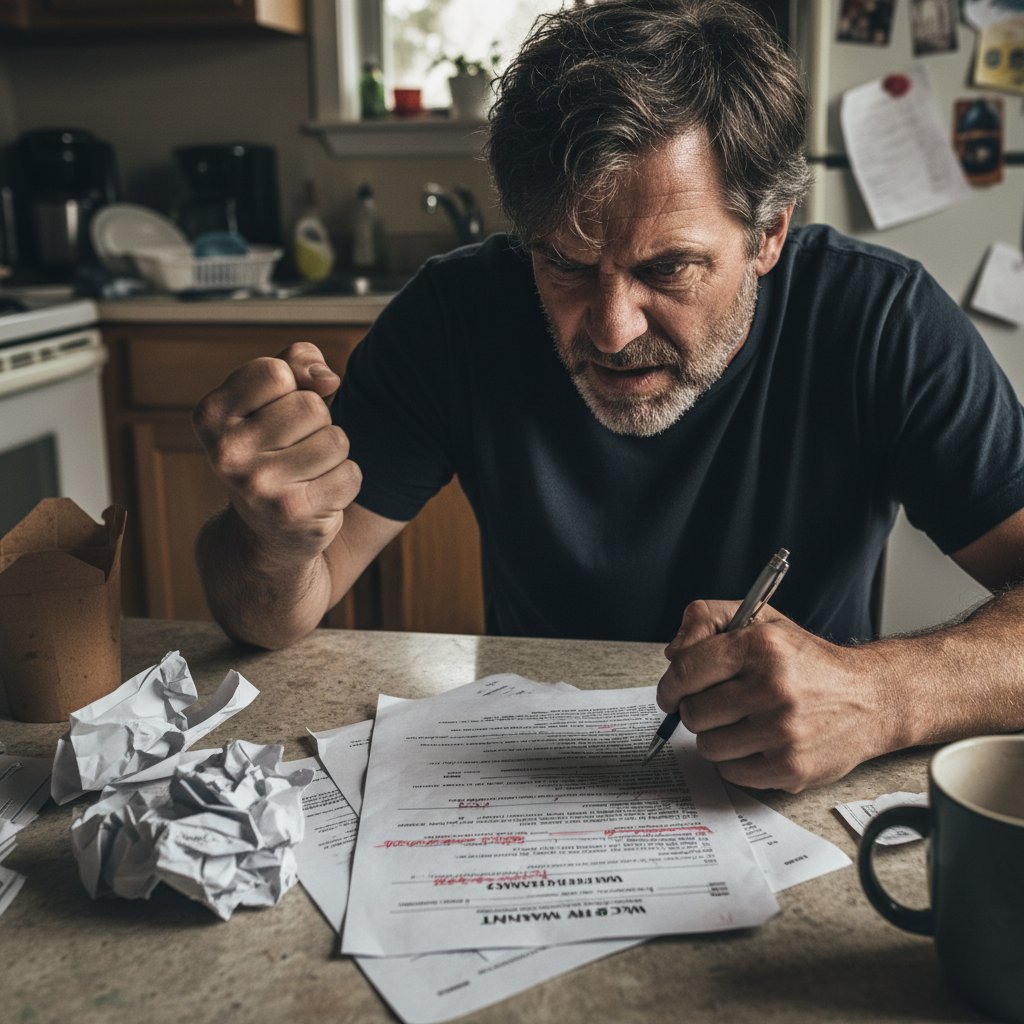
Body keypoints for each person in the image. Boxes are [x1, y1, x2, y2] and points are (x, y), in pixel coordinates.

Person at [192, 0, 1024, 793]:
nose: (613, 329)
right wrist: (271, 542)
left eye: (668, 269)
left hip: (789, 793)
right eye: (565, 262)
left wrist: (878, 696)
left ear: (768, 234)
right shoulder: (456, 314)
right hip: (523, 776)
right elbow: (271, 615)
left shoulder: (882, 321)